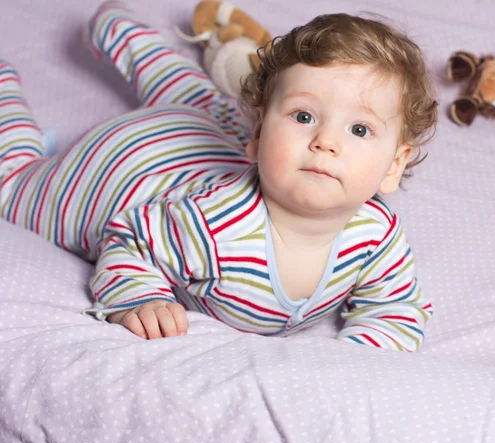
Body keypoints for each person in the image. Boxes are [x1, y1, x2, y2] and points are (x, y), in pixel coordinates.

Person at [0, 1, 437, 351]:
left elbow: (395, 308)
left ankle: (120, 26)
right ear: (260, 134)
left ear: (394, 164)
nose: (326, 141)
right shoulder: (213, 228)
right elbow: (129, 242)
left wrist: (356, 364)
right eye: (303, 116)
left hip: (205, 134)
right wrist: (140, 297)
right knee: (12, 187)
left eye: (359, 129)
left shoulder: (377, 235)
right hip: (119, 169)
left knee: (207, 102)